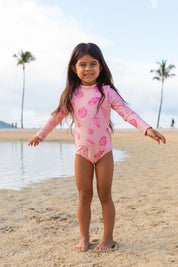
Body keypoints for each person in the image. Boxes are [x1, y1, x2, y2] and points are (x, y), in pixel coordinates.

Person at [28, 43, 166, 252]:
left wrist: (146, 129)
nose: (88, 68)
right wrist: (40, 134)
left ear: (101, 67)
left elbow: (127, 113)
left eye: (93, 63)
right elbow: (56, 116)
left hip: (104, 153)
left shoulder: (106, 92)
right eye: (82, 64)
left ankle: (108, 239)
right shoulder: (71, 93)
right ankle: (84, 238)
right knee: (84, 195)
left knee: (105, 195)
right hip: (82, 153)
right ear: (74, 68)